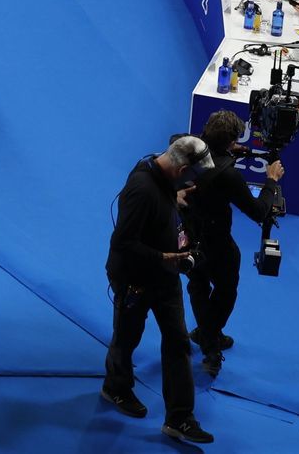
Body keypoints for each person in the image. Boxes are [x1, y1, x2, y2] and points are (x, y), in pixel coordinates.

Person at [102, 135, 214, 445]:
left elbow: (164, 196)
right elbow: (122, 244)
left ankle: (180, 418)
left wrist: (173, 200)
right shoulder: (141, 190)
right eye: (193, 177)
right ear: (181, 171)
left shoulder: (160, 168)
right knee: (126, 337)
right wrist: (164, 257)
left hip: (166, 278)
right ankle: (115, 387)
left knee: (178, 341)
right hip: (135, 278)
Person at [183, 111, 284, 377]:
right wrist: (271, 181)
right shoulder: (228, 176)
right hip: (216, 242)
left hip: (186, 234)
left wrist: (228, 150)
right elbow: (259, 211)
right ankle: (210, 339)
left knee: (198, 283)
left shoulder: (185, 146)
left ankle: (205, 331)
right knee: (226, 290)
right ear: (229, 142)